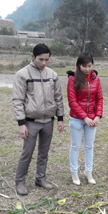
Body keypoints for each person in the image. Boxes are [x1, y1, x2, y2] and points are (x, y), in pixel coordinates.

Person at [12, 44, 65, 195]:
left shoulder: (52, 75)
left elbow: (58, 97)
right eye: (41, 59)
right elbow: (17, 100)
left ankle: (40, 178)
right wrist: (21, 124)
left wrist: (60, 118)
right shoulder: (22, 74)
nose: (44, 63)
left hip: (48, 120)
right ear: (32, 57)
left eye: (47, 60)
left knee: (44, 152)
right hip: (30, 121)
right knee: (27, 152)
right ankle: (20, 181)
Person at [67, 52, 103, 185]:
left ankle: (89, 172)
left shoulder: (96, 78)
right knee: (75, 146)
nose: (87, 69)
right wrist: (84, 117)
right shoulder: (72, 78)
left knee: (89, 146)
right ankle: (74, 173)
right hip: (77, 119)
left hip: (92, 119)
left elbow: (99, 98)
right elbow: (72, 101)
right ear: (79, 65)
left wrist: (98, 116)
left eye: (89, 65)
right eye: (84, 66)